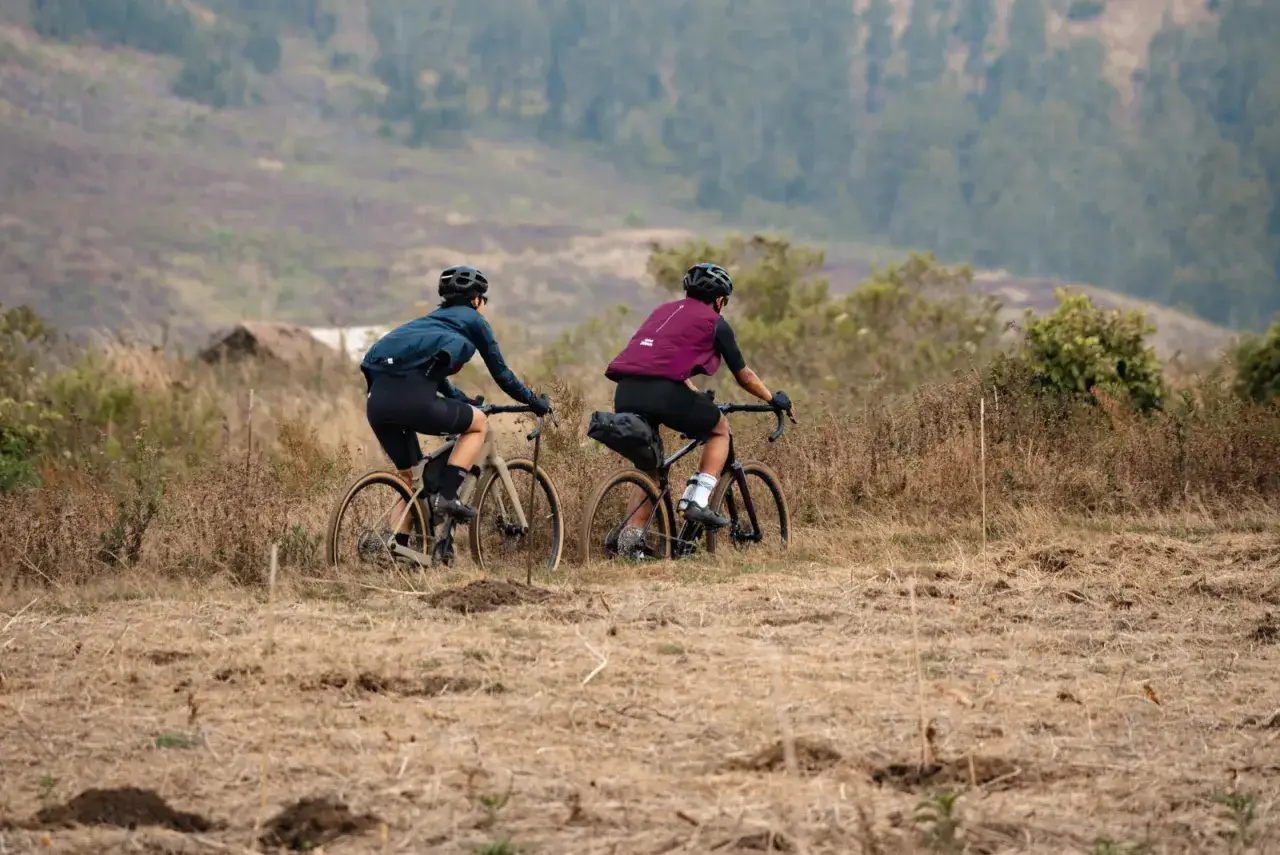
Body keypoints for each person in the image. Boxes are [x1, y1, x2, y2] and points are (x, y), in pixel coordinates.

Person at [603, 262, 795, 554]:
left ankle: (630, 546)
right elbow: (744, 375)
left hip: (626, 391)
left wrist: (693, 393)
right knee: (719, 429)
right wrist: (772, 398)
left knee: (649, 471)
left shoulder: (662, 312)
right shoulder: (714, 322)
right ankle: (697, 499)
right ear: (719, 299)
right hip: (663, 393)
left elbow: (661, 362)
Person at [360, 265, 551, 528]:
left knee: (409, 480)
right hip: (416, 403)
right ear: (475, 300)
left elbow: (431, 374)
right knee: (479, 423)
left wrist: (460, 399)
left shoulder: (426, 324)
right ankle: (447, 496)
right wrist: (532, 400)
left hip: (377, 405)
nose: (483, 305)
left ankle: (398, 545)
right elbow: (502, 374)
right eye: (483, 300)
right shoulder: (474, 321)